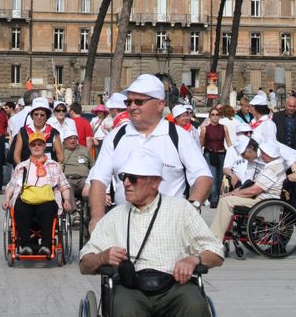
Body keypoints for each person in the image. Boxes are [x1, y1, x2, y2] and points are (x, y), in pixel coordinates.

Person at [80, 147, 224, 317]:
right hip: (131, 287)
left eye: (133, 178)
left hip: (175, 284)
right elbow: (84, 264)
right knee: (125, 311)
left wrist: (194, 259)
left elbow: (216, 251)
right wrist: (101, 258)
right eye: (124, 177)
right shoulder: (114, 216)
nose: (126, 183)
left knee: (194, 305)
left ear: (155, 182)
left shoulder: (181, 209)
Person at [89, 75, 212, 231]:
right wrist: (97, 218)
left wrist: (192, 209)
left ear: (160, 105)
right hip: (125, 227)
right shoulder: (115, 137)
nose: (132, 107)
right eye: (128, 102)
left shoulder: (179, 136)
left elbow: (203, 177)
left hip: (169, 227)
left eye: (139, 102)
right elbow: (98, 180)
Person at [2, 130, 72, 257]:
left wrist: (66, 200)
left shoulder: (54, 165)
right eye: (33, 144)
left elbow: (64, 186)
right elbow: (11, 186)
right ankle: (26, 245)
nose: (36, 147)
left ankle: (46, 246)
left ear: (44, 146)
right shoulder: (22, 166)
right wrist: (7, 199)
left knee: (48, 208)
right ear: (29, 147)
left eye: (40, 144)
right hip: (26, 199)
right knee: (19, 208)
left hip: (47, 199)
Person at [209, 139, 287, 240]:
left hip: (263, 201)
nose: (261, 155)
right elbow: (252, 186)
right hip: (260, 199)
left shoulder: (273, 168)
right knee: (226, 198)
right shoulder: (274, 165)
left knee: (226, 201)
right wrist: (234, 192)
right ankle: (217, 233)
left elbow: (254, 191)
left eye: (263, 153)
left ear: (270, 154)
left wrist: (232, 194)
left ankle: (216, 237)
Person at [13, 97, 63, 164]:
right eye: (36, 114)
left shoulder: (53, 133)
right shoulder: (23, 131)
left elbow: (60, 156)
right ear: (32, 115)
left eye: (42, 115)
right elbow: (16, 155)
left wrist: (58, 166)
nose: (39, 117)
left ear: (47, 116)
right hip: (27, 168)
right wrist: (22, 167)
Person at [200, 105, 232, 208]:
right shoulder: (204, 129)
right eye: (213, 114)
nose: (215, 116)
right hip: (209, 154)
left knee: (219, 179)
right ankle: (213, 200)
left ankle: (215, 198)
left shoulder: (224, 127)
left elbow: (229, 142)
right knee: (213, 178)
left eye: (217, 114)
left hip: (221, 154)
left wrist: (234, 153)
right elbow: (201, 144)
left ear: (220, 116)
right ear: (210, 116)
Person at [62, 128, 93, 211]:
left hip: (84, 179)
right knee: (67, 186)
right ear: (64, 140)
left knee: (92, 186)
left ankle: (91, 211)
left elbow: (93, 166)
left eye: (74, 138)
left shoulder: (84, 150)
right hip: (68, 179)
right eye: (70, 138)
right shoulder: (61, 151)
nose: (72, 140)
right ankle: (74, 213)